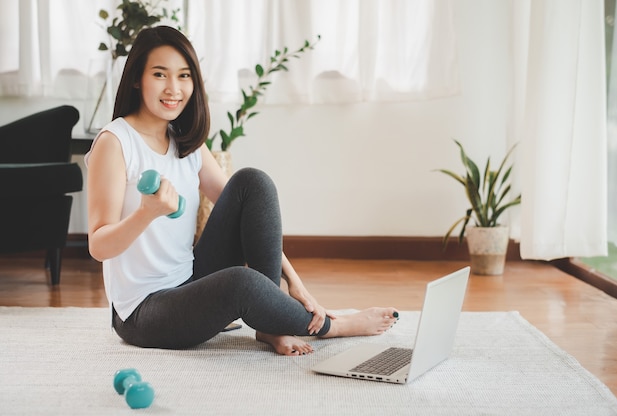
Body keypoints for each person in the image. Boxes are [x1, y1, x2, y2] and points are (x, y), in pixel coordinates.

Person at [85, 26, 398, 356]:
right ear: (137, 78)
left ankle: (269, 323)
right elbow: (98, 245)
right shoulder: (115, 142)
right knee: (240, 283)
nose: (174, 88)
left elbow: (247, 210)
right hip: (143, 311)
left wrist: (293, 281)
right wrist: (146, 213)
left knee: (253, 182)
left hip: (189, 279)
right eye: (160, 74)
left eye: (184, 76)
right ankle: (334, 326)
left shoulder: (185, 142)